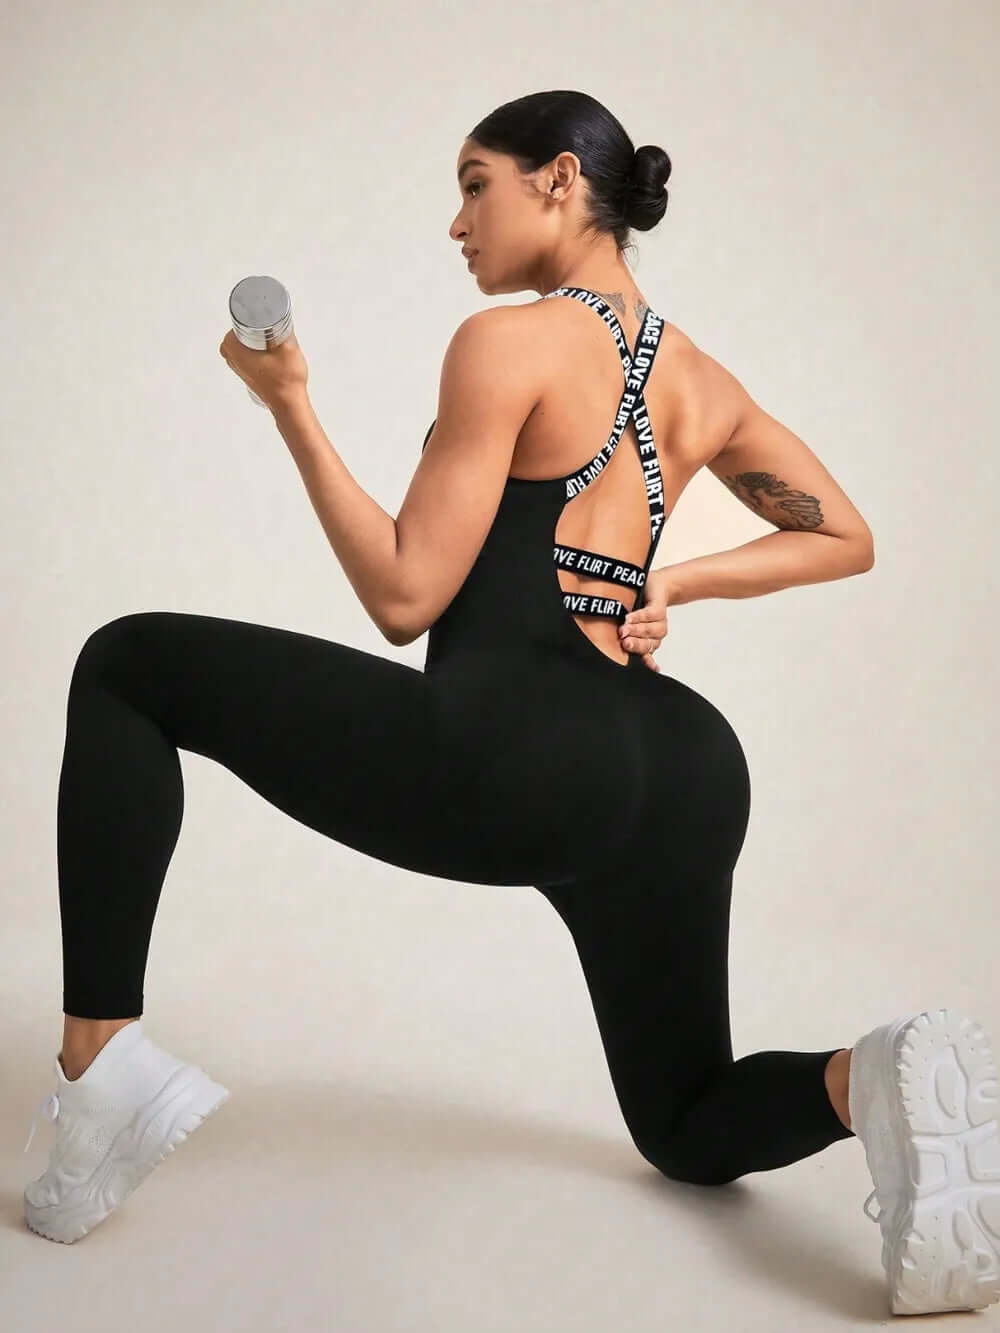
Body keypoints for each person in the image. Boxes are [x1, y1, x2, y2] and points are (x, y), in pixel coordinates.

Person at [22, 90, 1000, 1317]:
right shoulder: (700, 379)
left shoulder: (507, 345)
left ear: (557, 181)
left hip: (523, 751)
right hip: (686, 765)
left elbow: (403, 596)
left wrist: (291, 407)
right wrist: (675, 580)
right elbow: (844, 535)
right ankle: (868, 1079)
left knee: (126, 664)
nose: (456, 223)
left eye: (474, 183)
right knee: (682, 1122)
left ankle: (99, 1065)